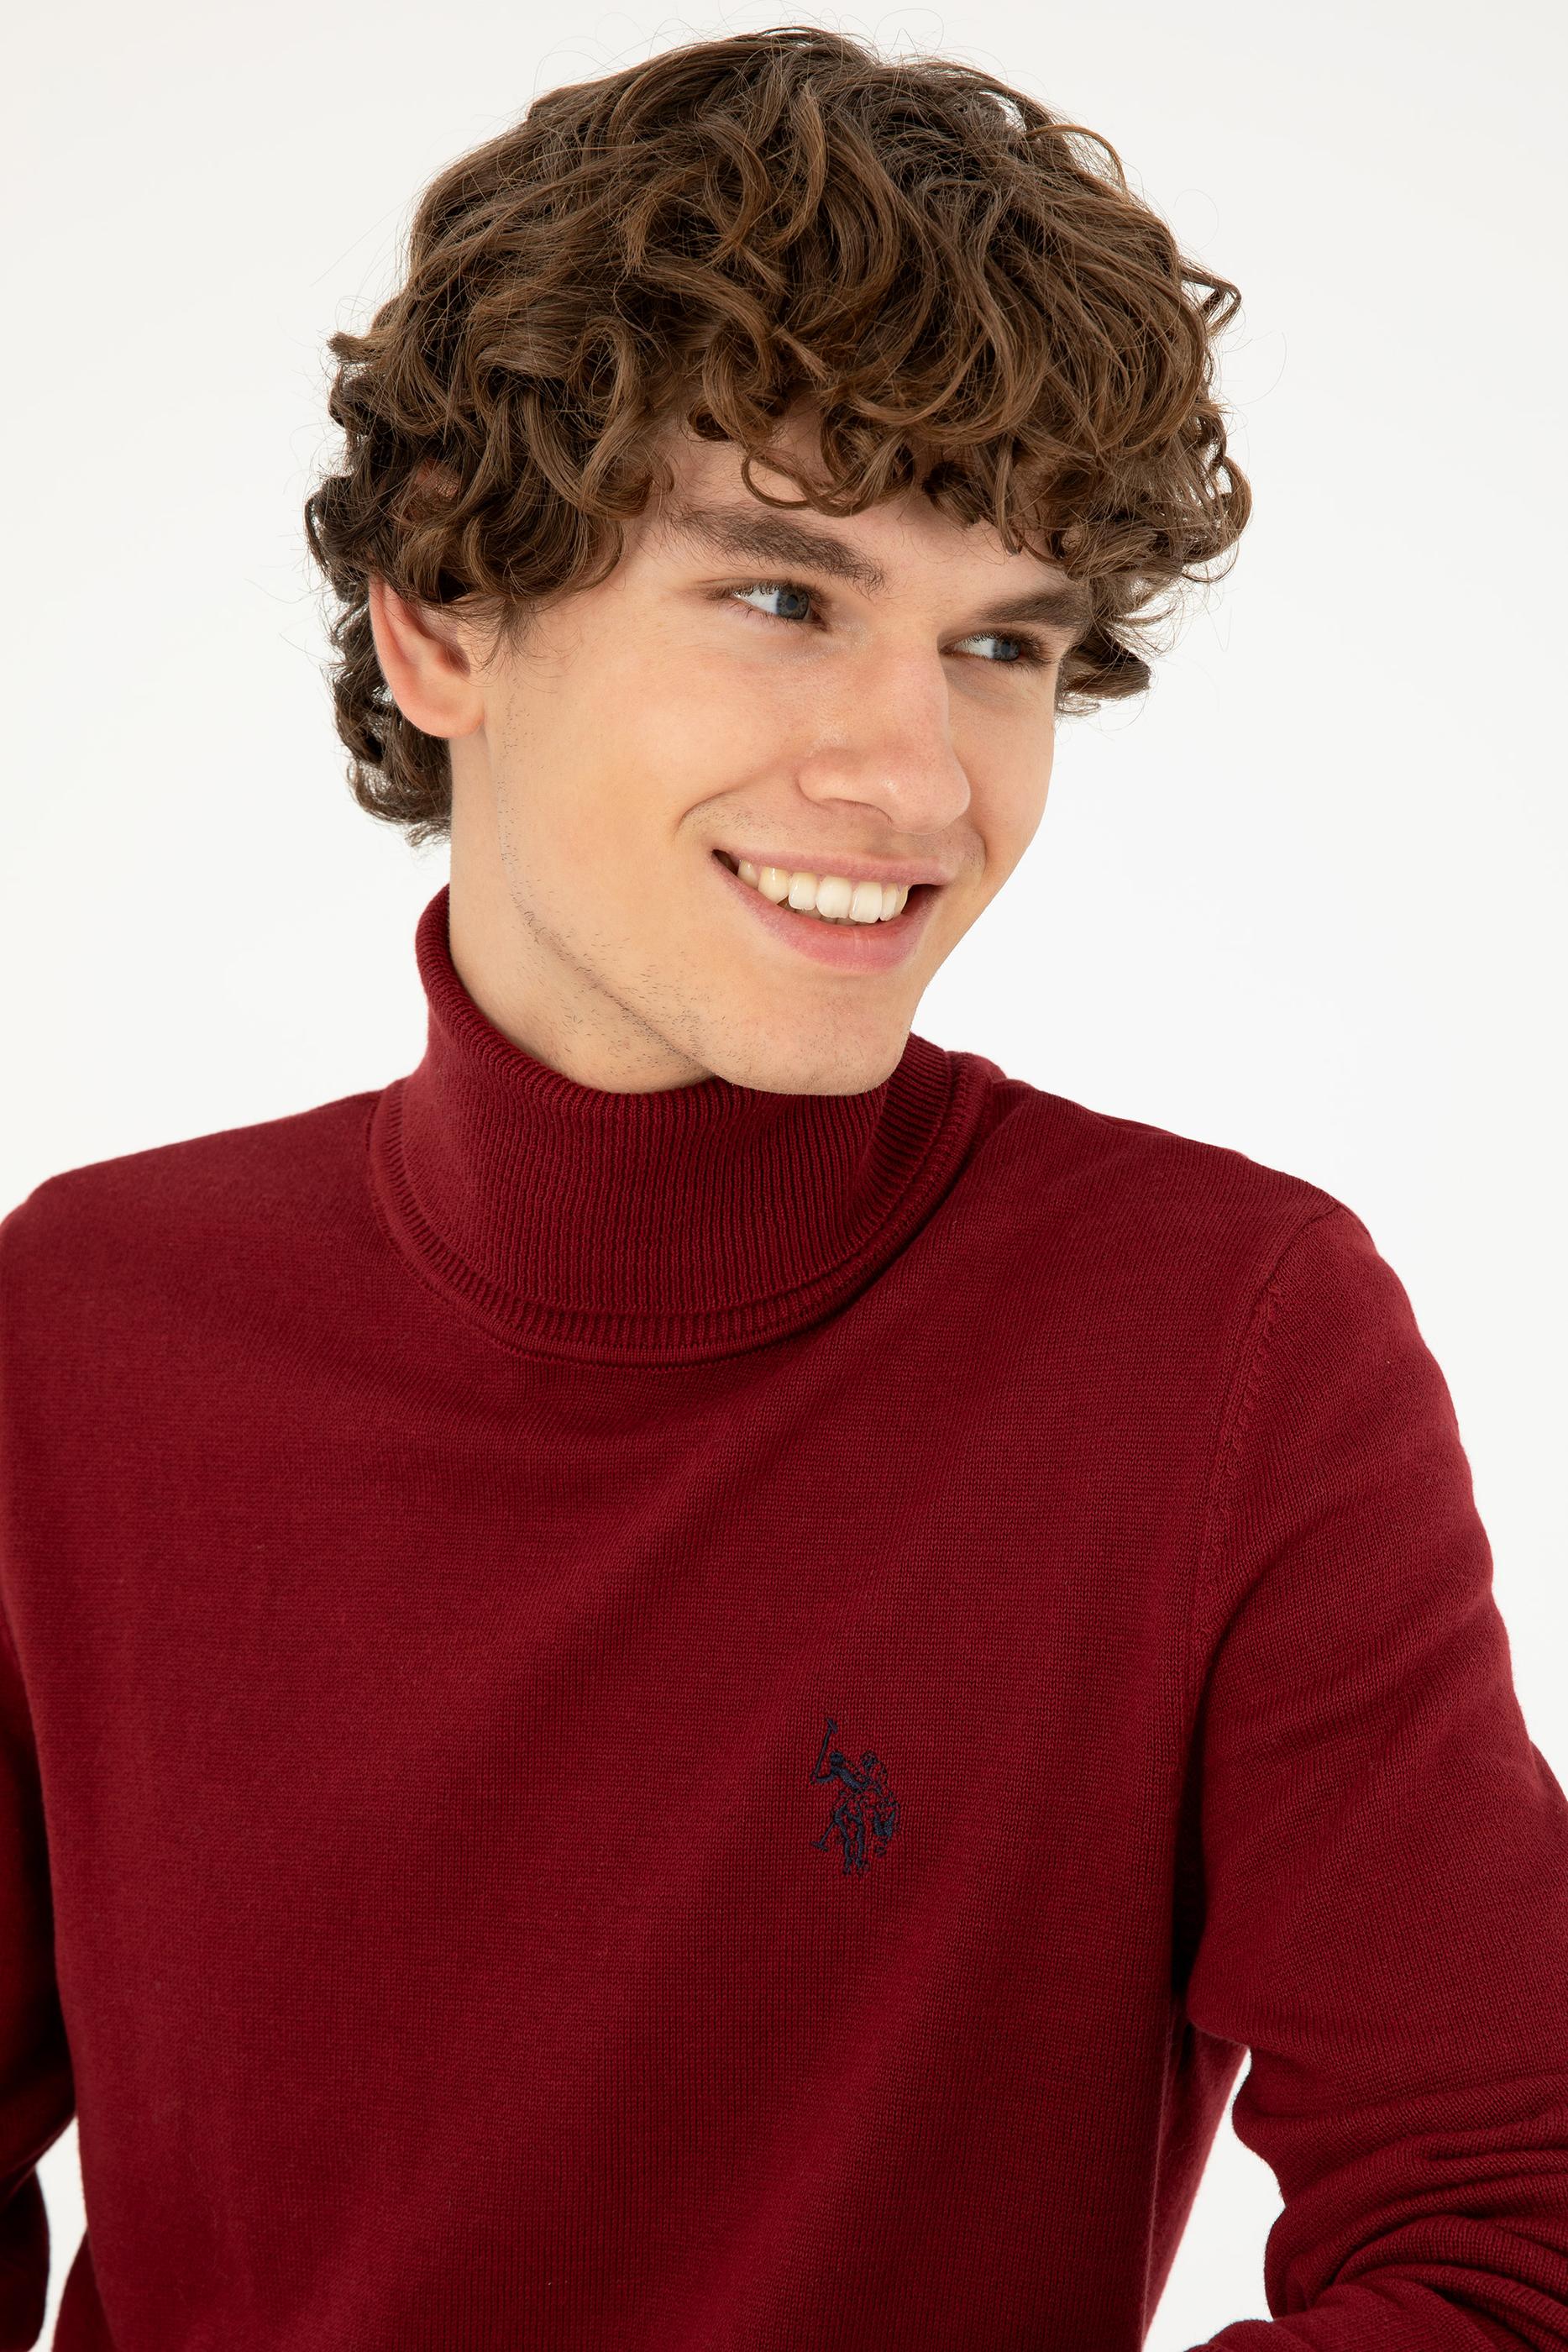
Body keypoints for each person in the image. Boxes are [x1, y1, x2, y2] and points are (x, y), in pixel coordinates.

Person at [2, 25, 1564, 2350]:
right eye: (781, 596)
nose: (917, 780)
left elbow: (1513, 2234)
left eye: (1002, 643)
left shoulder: (1220, 1346)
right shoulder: (80, 1325)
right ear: (440, 624)